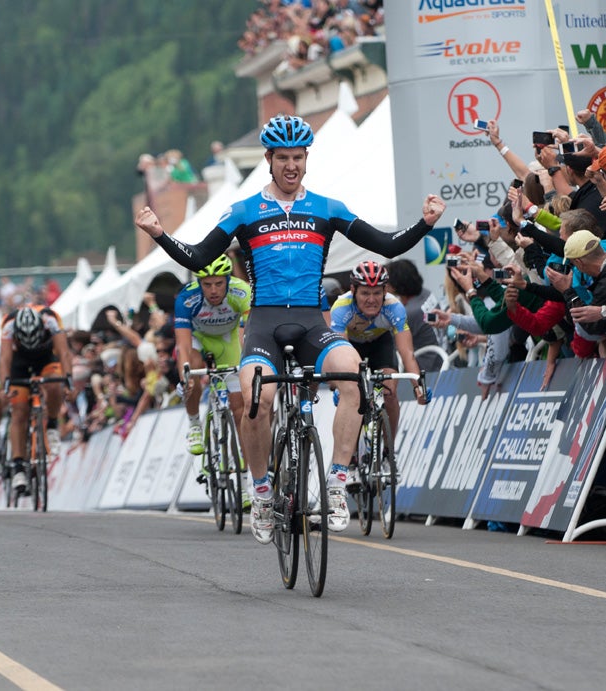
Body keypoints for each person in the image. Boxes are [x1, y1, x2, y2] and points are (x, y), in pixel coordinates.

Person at [135, 114, 445, 543]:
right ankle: (261, 491)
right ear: (268, 159)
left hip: (309, 322)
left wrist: (425, 222)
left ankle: (337, 483)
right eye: (283, 158)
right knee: (256, 399)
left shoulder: (326, 208)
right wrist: (159, 234)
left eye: (298, 157)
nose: (291, 166)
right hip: (263, 322)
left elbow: (387, 245)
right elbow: (197, 256)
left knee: (354, 374)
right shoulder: (244, 212)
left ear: (306, 158)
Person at [329, 260, 429, 488]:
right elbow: (337, 355)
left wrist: (417, 386)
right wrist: (339, 385)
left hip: (379, 345)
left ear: (386, 291)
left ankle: (388, 454)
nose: (372, 299)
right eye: (365, 293)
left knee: (390, 390)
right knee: (353, 394)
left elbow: (406, 352)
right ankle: (352, 461)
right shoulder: (341, 308)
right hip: (349, 347)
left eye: (377, 293)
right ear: (353, 290)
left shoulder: (394, 307)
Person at [174, 255, 251, 464]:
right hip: (198, 341)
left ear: (228, 279)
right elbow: (182, 346)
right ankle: (194, 425)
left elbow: (250, 334)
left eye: (219, 283)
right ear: (199, 283)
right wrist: (185, 377)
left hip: (229, 341)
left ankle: (248, 480)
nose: (214, 290)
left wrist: (247, 364)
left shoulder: (242, 291)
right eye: (207, 285)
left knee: (239, 410)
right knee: (192, 370)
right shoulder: (187, 298)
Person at [0, 305, 73, 494]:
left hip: (46, 358)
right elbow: (5, 359)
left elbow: (64, 352)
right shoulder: (9, 324)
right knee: (19, 411)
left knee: (55, 385)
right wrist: (5, 385)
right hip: (19, 362)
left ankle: (53, 425)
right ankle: (18, 467)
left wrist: (68, 379)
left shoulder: (51, 319)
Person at [384, 259, 445, 372]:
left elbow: (390, 343)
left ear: (396, 284)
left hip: (424, 369)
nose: (384, 285)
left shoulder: (409, 313)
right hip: (441, 359)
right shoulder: (426, 293)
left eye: (387, 281)